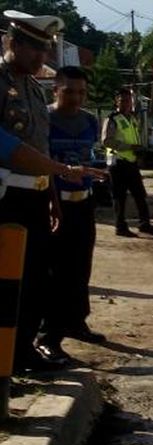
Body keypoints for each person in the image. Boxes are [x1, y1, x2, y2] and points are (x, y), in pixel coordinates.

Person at [0, 10, 73, 371]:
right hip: (5, 199)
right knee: (6, 279)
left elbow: (41, 151)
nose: (41, 58)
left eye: (45, 51)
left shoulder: (32, 87)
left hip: (36, 197)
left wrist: (52, 199)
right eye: (34, 50)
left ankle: (22, 350)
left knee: (35, 279)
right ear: (12, 43)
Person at [37, 66, 106, 365]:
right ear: (55, 90)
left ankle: (77, 322)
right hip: (55, 205)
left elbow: (93, 156)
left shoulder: (90, 120)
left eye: (81, 92)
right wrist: (53, 201)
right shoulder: (44, 120)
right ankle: (47, 338)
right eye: (69, 91)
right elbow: (42, 164)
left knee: (81, 267)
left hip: (84, 204)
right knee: (55, 273)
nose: (76, 97)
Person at [102, 87, 153, 237]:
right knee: (119, 196)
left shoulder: (133, 119)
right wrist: (129, 147)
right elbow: (107, 141)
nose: (126, 103)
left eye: (128, 100)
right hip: (117, 162)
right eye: (123, 100)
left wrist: (139, 150)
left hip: (131, 161)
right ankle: (120, 227)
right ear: (117, 102)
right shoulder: (112, 119)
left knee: (140, 194)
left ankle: (145, 224)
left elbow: (135, 137)